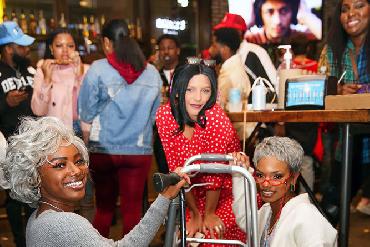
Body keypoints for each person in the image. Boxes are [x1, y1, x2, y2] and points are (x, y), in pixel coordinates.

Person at [0, 116, 189, 247]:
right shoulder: (64, 224)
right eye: (59, 165)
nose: (76, 171)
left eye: (79, 160)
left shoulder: (38, 217)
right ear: (33, 176)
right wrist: (163, 199)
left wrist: (164, 197)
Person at [78, 19, 162, 237]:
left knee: (104, 209)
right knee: (133, 211)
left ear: (107, 42)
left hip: (103, 150)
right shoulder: (152, 73)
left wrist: (87, 142)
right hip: (138, 150)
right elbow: (154, 115)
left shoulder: (97, 69)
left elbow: (86, 113)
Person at [156, 63, 246, 245]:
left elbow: (215, 175)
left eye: (205, 91)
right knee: (186, 240)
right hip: (191, 195)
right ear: (178, 91)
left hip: (227, 194)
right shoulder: (165, 116)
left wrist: (209, 214)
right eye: (190, 90)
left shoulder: (216, 118)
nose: (198, 98)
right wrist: (196, 214)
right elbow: (178, 170)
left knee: (210, 240)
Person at [232, 136, 337, 246]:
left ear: (294, 179)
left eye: (277, 177)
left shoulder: (307, 217)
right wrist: (240, 173)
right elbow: (247, 221)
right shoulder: (268, 211)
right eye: (260, 175)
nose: (266, 184)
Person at [319, 0, 370, 218]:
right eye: (345, 9)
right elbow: (318, 90)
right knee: (331, 212)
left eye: (359, 6)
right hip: (348, 143)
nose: (351, 14)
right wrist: (337, 91)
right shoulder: (333, 49)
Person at [0, 21, 35, 247]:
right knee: (14, 197)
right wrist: (5, 102)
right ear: (9, 48)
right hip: (8, 143)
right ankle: (20, 241)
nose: (26, 49)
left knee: (34, 196)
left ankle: (35, 239)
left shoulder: (30, 69)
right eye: (21, 46)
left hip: (33, 142)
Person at [31, 28, 90, 135]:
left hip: (82, 130)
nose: (65, 50)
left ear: (75, 48)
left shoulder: (86, 69)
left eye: (70, 46)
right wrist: (47, 80)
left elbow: (90, 105)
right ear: (51, 49)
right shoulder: (43, 70)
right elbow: (38, 111)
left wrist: (80, 75)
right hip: (55, 131)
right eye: (59, 46)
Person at [246, 0, 316, 67]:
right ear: (259, 14)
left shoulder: (303, 39)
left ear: (294, 13)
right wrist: (248, 25)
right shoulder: (251, 41)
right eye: (270, 12)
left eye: (284, 11)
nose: (277, 21)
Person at [153, 34, 182, 175]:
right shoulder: (154, 76)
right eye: (162, 48)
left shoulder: (186, 74)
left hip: (184, 130)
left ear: (178, 50)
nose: (166, 52)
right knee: (165, 173)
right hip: (161, 134)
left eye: (170, 48)